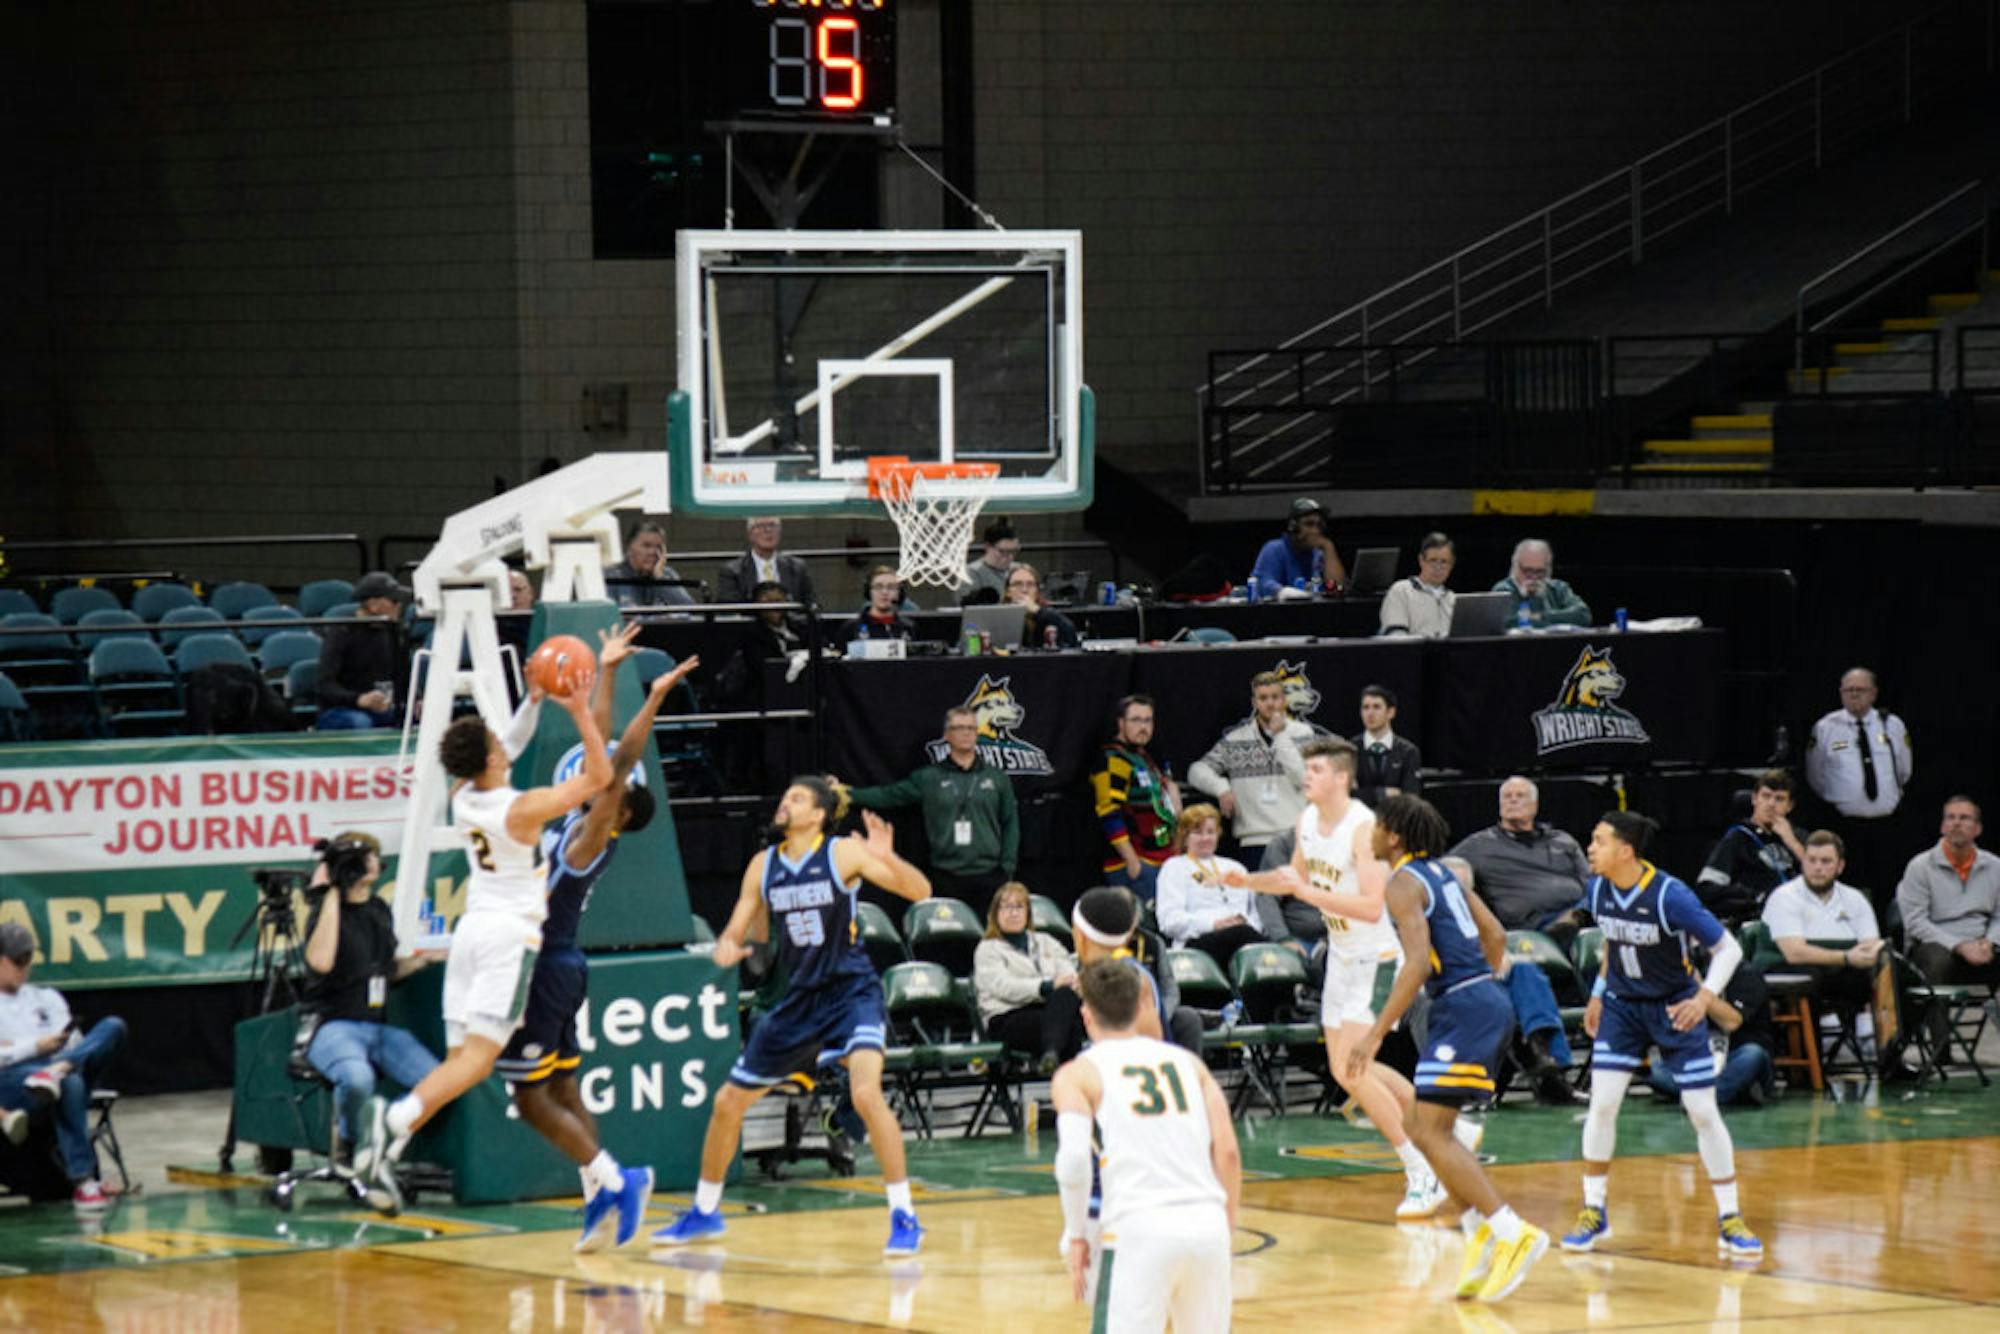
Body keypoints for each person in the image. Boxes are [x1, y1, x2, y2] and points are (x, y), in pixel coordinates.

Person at [352, 662, 613, 1211]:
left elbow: (503, 747)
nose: (504, 745)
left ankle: (388, 1150)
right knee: (477, 1063)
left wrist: (533, 702)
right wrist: (580, 712)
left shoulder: (463, 793)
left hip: (468, 930)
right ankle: (393, 1117)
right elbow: (598, 780)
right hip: (507, 939)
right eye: (497, 744)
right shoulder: (521, 810)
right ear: (493, 760)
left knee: (456, 1063)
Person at [654, 779, 932, 1255]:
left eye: (797, 798)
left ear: (819, 814)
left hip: (850, 992)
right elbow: (739, 928)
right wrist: (726, 947)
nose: (785, 802)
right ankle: (704, 1211)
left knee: (865, 1093)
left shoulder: (842, 854)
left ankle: (904, 1215)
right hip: (798, 1000)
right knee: (727, 1103)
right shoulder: (763, 867)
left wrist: (888, 858)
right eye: (784, 796)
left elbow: (921, 891)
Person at [494, 625, 698, 1252]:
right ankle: (599, 1198)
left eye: (614, 791)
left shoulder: (589, 840)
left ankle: (618, 1178)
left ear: (620, 813)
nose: (603, 777)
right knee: (562, 1088)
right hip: (562, 965)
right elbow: (610, 756)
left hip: (546, 968)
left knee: (528, 1101)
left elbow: (617, 763)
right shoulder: (574, 818)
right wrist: (622, 679)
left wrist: (615, 693)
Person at [1227, 736, 1446, 1219]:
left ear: (1342, 778)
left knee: (1353, 1068)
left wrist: (1309, 894)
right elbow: (1292, 877)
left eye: (1318, 769)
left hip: (1376, 956)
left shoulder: (1363, 827)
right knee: (1343, 1069)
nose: (1307, 776)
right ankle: (1439, 1127)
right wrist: (1245, 881)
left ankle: (1421, 1169)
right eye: (1307, 769)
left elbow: (1371, 907)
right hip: (1342, 958)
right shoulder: (1307, 820)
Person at [1347, 796, 1550, 1304]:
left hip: (1463, 1006)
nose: (1369, 835)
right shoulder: (1444, 875)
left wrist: (1375, 1034)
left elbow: (1415, 964)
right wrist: (1483, 982)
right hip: (1479, 997)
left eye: (1376, 828)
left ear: (1394, 837)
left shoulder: (1402, 884)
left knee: (1432, 1131)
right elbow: (1495, 934)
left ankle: (1511, 1231)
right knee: (1419, 1126)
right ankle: (1477, 1228)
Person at [1562, 810, 1762, 1261]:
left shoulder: (1671, 895)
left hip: (1674, 1005)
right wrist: (1597, 992)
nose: (1589, 848)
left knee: (1702, 1112)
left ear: (1625, 850)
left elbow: (1727, 948)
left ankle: (1730, 1217)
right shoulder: (1597, 889)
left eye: (1598, 840)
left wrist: (1704, 998)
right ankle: (1593, 1209)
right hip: (1621, 1008)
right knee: (1603, 1104)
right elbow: (1614, 945)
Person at [1051, 960, 1239, 1330]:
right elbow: (1228, 1153)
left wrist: (1076, 1236)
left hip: (1139, 1229)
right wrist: (1226, 1222)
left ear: (1085, 1014)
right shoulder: (1189, 1063)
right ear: (1141, 1007)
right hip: (1207, 1224)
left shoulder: (1077, 1074)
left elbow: (1074, 1163)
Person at [298, 831, 437, 1205]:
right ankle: (346, 1142)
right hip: (332, 1025)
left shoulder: (377, 909)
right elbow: (321, 962)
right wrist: (328, 894)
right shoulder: (327, 912)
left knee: (436, 1082)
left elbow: (385, 969)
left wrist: (427, 958)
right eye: (368, 855)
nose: (376, 862)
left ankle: (379, 1153)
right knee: (357, 1079)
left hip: (376, 1026)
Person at [0, 924, 128, 1210]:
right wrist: (36, 1047)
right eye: (17, 960)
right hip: (16, 1083)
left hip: (62, 1067)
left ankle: (56, 1072)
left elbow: (78, 1042)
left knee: (113, 1027)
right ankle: (83, 1181)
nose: (25, 967)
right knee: (70, 1083)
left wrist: (64, 1057)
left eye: (28, 959)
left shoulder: (47, 997)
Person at [1442, 856, 1585, 1108]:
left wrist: (1501, 960)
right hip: (1445, 987)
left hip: (1484, 984)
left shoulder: (1478, 918)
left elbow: (1498, 951)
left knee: (1524, 971)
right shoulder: (1420, 910)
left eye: (1465, 890)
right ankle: (1545, 1067)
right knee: (1501, 997)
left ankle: (1544, 1055)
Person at [849, 706, 1019, 917]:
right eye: (959, 728)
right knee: (948, 942)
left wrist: (1007, 867)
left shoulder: (997, 777)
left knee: (991, 942)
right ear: (947, 734)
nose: (966, 733)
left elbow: (1010, 822)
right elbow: (888, 795)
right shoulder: (928, 777)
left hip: (990, 876)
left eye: (971, 728)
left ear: (978, 733)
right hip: (945, 876)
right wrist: (847, 794)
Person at [1805, 668, 1912, 909]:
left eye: (1860, 689)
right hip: (1845, 825)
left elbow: (1904, 769)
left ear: (1873, 694)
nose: (1854, 694)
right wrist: (1843, 799)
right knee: (1847, 888)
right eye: (1848, 690)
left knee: (1886, 886)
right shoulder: (1825, 727)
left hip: (1886, 824)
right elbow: (1816, 775)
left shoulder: (1892, 725)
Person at [1448, 776, 1592, 949]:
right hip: (1530, 927)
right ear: (1500, 806)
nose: (1513, 800)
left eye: (1520, 795)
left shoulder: (1562, 840)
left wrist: (1582, 911)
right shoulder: (1478, 845)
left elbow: (1589, 882)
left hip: (1579, 917)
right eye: (1507, 797)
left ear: (1535, 805)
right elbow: (1442, 869)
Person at [1186, 671, 1314, 855]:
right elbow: (1196, 770)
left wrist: (1280, 736)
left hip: (1295, 835)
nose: (1270, 703)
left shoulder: (1303, 733)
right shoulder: (1236, 740)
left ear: (1284, 699)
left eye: (1275, 697)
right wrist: (1221, 788)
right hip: (1253, 839)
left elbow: (1303, 778)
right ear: (1254, 703)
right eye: (1263, 698)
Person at [1760, 830, 1883, 1006]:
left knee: (1870, 974)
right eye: (1811, 860)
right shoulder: (1784, 896)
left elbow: (1870, 946)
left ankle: (1868, 1029)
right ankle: (1820, 1028)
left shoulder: (1855, 898)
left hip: (1838, 971)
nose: (1817, 867)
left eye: (1826, 861)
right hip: (1786, 967)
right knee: (1812, 975)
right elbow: (1794, 953)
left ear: (1840, 866)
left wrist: (1873, 952)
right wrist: (1847, 957)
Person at [972, 882, 1079, 1074]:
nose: (1013, 913)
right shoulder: (987, 949)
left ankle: (1052, 1056)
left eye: (1019, 907)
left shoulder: (1046, 942)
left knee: (1067, 998)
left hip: (1049, 1013)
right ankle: (1071, 1084)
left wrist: (1067, 983)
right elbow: (1003, 987)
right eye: (1006, 907)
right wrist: (1045, 987)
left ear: (1028, 913)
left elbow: (1068, 972)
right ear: (995, 913)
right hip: (1007, 1017)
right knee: (1069, 1025)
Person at [1896, 796, 2000, 987]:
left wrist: (1991, 942)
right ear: (1943, 827)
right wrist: (1959, 946)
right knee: (1937, 960)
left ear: (1978, 829)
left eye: (1964, 818)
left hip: (1981, 942)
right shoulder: (1920, 866)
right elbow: (1915, 922)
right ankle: (1935, 1018)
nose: (1956, 823)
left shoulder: (1995, 866)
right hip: (1934, 944)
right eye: (1950, 818)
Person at [1648, 957, 1777, 1109]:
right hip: (1704, 1057)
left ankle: (1700, 1096)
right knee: (1658, 1068)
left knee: (1752, 1055)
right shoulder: (1696, 973)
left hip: (1736, 1054)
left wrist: (1700, 990)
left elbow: (1731, 1022)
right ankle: (1726, 1092)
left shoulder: (1747, 975)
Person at [1092, 694, 1181, 900]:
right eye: (1136, 720)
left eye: (1148, 720)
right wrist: (1131, 860)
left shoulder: (1145, 757)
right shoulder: (1113, 758)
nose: (1143, 727)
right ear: (1121, 723)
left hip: (1163, 858)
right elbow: (1109, 812)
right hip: (1135, 864)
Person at [1156, 805, 1268, 969]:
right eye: (1197, 832)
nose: (1205, 838)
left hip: (1244, 936)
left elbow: (1255, 912)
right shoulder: (1174, 867)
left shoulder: (1236, 867)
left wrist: (1247, 924)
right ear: (1184, 836)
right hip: (1198, 942)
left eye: (1210, 832)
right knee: (1243, 936)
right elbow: (1169, 921)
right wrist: (1214, 924)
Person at [1696, 770, 1809, 927]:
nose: (1771, 804)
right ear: (1754, 799)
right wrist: (1755, 896)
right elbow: (1707, 888)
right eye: (1766, 796)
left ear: (1789, 806)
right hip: (1759, 922)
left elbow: (1824, 880)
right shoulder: (1738, 838)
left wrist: (1792, 842)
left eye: (1779, 799)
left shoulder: (1798, 837)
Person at [316, 570, 413, 730]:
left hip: (382, 706)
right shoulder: (341, 632)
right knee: (359, 722)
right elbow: (324, 685)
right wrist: (359, 699)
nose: (399, 605)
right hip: (341, 709)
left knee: (410, 716)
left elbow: (404, 675)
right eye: (393, 600)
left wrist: (417, 699)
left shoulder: (394, 633)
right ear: (373, 605)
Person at [1249, 496, 1348, 593]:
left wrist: (1328, 547)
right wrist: (1284, 592)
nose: (1316, 531)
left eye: (1319, 525)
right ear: (1293, 527)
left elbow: (1338, 588)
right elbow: (1261, 582)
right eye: (1309, 524)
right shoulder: (1275, 549)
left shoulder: (1319, 555)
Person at [717, 517, 816, 607]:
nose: (768, 530)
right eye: (761, 526)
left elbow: (811, 604)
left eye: (772, 526)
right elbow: (729, 612)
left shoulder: (797, 567)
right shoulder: (732, 571)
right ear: (750, 534)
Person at [1491, 539, 1591, 628]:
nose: (1534, 577)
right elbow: (1508, 623)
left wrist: (1540, 616)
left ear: (1548, 570)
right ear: (1515, 567)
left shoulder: (1558, 588)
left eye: (1540, 571)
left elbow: (1583, 615)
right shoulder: (1503, 590)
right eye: (1527, 570)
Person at [1351, 684, 1421, 808]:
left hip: (1396, 822)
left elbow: (1411, 798)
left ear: (1391, 712)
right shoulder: (1350, 749)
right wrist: (1383, 794)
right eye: (1365, 707)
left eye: (1376, 707)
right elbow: (1345, 796)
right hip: (1359, 823)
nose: (1370, 713)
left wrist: (1362, 794)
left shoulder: (1408, 752)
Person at [1377, 531, 1456, 638]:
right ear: (1421, 560)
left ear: (1451, 565)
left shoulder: (1453, 599)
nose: (1438, 567)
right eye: (1433, 560)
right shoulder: (1401, 591)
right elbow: (1394, 637)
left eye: (1444, 562)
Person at [603, 521, 696, 608]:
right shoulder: (612, 576)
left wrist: (660, 579)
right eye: (646, 546)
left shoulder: (667, 574)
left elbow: (691, 610)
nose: (653, 552)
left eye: (658, 547)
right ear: (629, 548)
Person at [1003, 563, 1080, 649]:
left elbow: (1071, 636)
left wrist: (1038, 611)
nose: (1024, 590)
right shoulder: (998, 616)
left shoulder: (1047, 615)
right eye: (1017, 584)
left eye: (1030, 584)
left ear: (1037, 591)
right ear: (1008, 591)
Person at [834, 565, 917, 646]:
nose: (884, 592)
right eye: (878, 587)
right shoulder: (851, 628)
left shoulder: (908, 628)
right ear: (869, 592)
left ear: (899, 593)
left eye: (891, 587)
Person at [959, 518, 1019, 603]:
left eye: (1013, 551)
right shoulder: (971, 574)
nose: (1010, 557)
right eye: (1002, 551)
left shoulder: (1020, 570)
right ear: (988, 547)